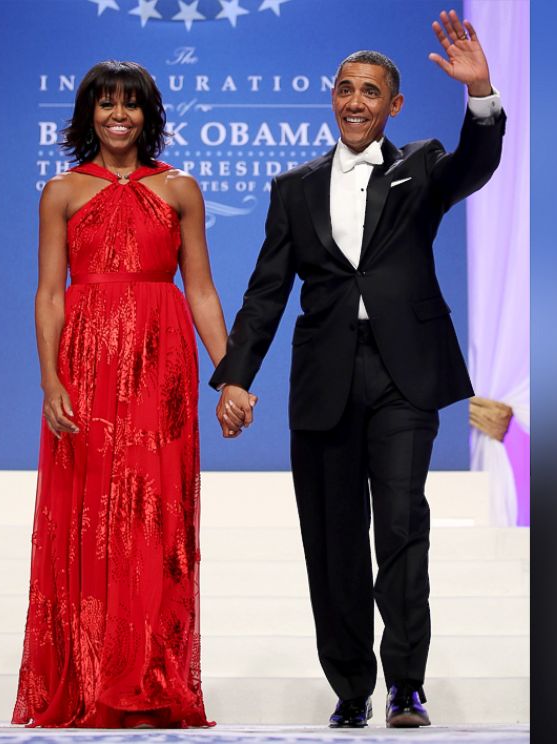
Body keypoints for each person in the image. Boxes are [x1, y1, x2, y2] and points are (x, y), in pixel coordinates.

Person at [212, 11, 506, 728]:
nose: (355, 101)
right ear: (332, 96)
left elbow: (479, 163)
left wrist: (482, 96)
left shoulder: (423, 166)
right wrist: (234, 375)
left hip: (404, 377)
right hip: (324, 380)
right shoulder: (295, 187)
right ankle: (351, 686)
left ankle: (406, 685)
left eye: (370, 91)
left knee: (402, 526)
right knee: (333, 537)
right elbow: (266, 290)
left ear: (393, 105)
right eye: (345, 88)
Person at [12, 60, 229, 729]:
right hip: (85, 367)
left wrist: (231, 374)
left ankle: (151, 682)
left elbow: (201, 290)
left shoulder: (180, 188)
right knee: (87, 518)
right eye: (105, 104)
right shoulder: (62, 191)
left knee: (154, 519)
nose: (118, 116)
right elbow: (50, 293)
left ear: (148, 115)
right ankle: (85, 679)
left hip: (162, 368)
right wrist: (50, 378)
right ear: (88, 114)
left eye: (130, 106)